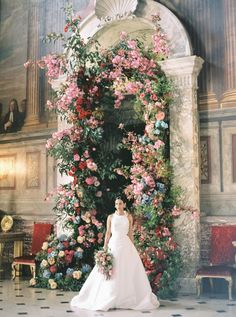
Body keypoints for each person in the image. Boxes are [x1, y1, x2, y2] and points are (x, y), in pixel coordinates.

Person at [70, 198, 160, 311]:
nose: (118, 205)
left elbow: (130, 232)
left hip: (126, 244)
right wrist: (105, 246)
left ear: (124, 204)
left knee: (126, 269)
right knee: (113, 268)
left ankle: (125, 297)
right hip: (114, 244)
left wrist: (133, 247)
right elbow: (108, 232)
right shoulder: (111, 217)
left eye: (120, 203)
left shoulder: (128, 217)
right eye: (116, 203)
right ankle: (109, 295)